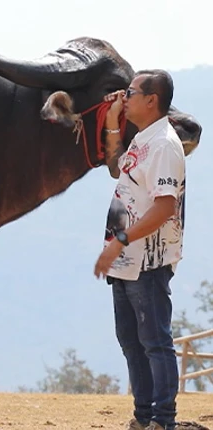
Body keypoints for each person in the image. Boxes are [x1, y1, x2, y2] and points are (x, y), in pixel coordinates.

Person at [94, 70, 185, 430]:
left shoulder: (163, 144)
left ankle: (164, 420)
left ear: (152, 100)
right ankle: (143, 416)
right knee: (131, 341)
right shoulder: (144, 139)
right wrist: (114, 121)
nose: (124, 96)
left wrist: (120, 240)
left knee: (155, 342)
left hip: (147, 260)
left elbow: (165, 208)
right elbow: (117, 168)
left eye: (130, 92)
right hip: (126, 260)